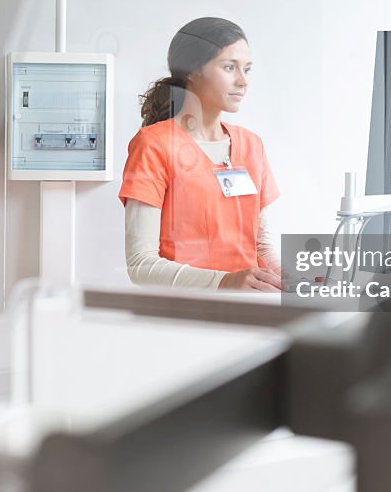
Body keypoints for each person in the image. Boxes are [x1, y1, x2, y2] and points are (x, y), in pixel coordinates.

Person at [118, 17, 283, 291]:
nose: (243, 81)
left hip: (247, 311)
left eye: (247, 69)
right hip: (186, 315)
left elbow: (261, 247)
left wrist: (296, 279)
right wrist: (224, 282)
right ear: (191, 71)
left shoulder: (251, 144)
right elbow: (140, 264)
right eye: (230, 67)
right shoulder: (154, 145)